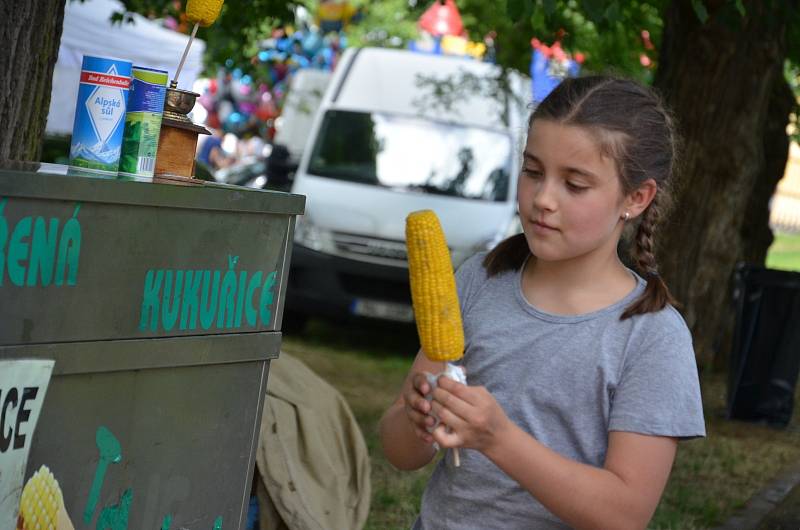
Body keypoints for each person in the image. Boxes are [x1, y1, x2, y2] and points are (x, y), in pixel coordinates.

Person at [379, 75, 706, 530]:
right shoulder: (480, 281)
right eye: (533, 172)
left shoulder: (651, 335)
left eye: (575, 184)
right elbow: (399, 451)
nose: (543, 199)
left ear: (636, 198)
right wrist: (417, 420)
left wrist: (499, 439)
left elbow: (625, 513)